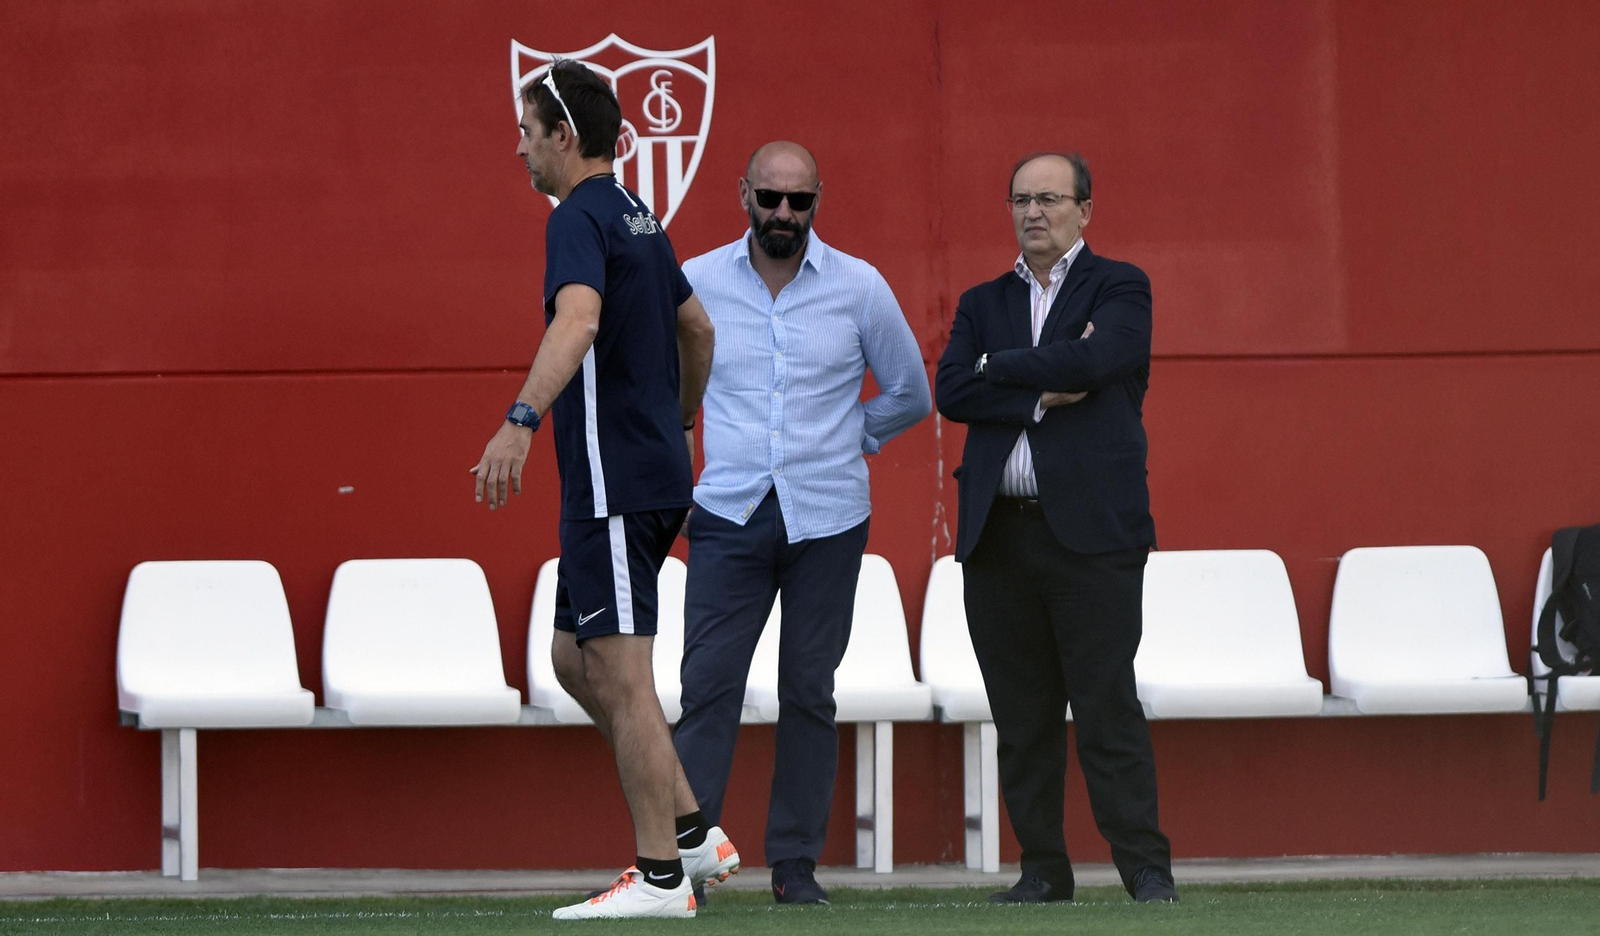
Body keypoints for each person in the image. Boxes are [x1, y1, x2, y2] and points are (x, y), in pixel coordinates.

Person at [469, 59, 738, 921]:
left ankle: (662, 877)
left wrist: (519, 419)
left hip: (617, 486)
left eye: (525, 131)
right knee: (568, 659)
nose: (518, 149)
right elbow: (696, 328)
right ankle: (695, 834)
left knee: (622, 680)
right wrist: (680, 417)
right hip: (637, 476)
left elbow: (576, 319)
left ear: (564, 136)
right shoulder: (641, 217)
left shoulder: (580, 216)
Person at [671, 141, 931, 904]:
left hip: (829, 517)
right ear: (743, 193)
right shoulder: (695, 280)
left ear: (819, 201)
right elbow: (665, 382)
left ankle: (795, 867)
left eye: (800, 201)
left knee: (809, 691)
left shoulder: (860, 286)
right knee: (708, 688)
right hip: (726, 513)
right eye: (770, 197)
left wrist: (853, 434)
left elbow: (911, 391)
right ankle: (688, 863)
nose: (784, 213)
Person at [933, 151, 1178, 904]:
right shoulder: (982, 298)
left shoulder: (1120, 285)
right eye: (1020, 199)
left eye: (1048, 198)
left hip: (1093, 539)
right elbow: (952, 388)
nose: (1032, 212)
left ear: (1085, 210)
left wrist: (999, 368)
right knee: (1022, 715)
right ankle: (1043, 868)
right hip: (999, 539)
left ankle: (1145, 868)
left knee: (1106, 706)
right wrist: (1042, 388)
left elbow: (1108, 355)